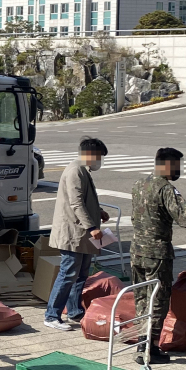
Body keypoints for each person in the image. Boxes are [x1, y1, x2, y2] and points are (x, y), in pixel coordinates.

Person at [130, 147, 186, 363]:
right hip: (157, 253)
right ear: (168, 165)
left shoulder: (138, 184)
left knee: (141, 297)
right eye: (178, 165)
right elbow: (185, 218)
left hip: (137, 251)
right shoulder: (166, 189)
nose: (179, 170)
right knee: (158, 298)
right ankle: (150, 348)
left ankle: (141, 343)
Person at [43, 136, 110, 331]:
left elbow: (84, 201)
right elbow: (76, 203)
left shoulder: (82, 170)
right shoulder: (75, 170)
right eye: (99, 156)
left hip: (81, 235)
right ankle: (52, 315)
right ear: (90, 154)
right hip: (74, 232)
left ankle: (74, 310)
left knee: (81, 274)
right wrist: (92, 227)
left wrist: (98, 212)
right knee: (68, 273)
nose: (99, 161)